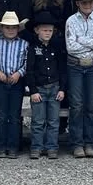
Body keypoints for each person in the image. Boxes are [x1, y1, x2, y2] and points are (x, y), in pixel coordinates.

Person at [65, 0, 93, 158]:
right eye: (84, 2)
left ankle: (90, 142)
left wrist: (80, 40)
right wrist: (92, 41)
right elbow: (70, 47)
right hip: (75, 64)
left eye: (90, 2)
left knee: (91, 106)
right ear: (77, 3)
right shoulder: (70, 20)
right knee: (76, 105)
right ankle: (76, 143)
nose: (87, 5)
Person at [26, 12, 65, 159]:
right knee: (38, 121)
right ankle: (36, 147)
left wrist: (62, 88)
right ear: (37, 31)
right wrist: (33, 90)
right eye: (44, 30)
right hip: (39, 89)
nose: (47, 33)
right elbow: (29, 70)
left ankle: (52, 147)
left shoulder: (57, 47)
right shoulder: (32, 48)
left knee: (53, 121)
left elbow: (62, 69)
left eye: (50, 30)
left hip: (55, 87)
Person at [0, 12, 29, 158]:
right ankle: (0, 146)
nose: (10, 30)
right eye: (7, 27)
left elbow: (27, 62)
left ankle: (13, 146)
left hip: (16, 82)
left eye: (14, 27)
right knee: (0, 115)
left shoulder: (24, 44)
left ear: (18, 29)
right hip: (0, 81)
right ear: (2, 28)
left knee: (14, 116)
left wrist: (19, 73)